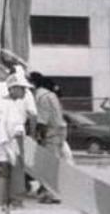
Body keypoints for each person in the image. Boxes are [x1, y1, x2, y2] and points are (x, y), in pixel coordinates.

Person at [0, 72, 33, 214]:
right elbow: (16, 129)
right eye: (23, 88)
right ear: (13, 89)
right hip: (2, 147)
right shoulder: (12, 107)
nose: (25, 91)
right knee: (2, 178)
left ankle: (0, 206)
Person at [29, 74, 65, 205]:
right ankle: (48, 191)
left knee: (50, 164)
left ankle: (54, 195)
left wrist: (38, 136)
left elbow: (42, 120)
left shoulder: (41, 97)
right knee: (55, 162)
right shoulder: (50, 94)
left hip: (51, 132)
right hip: (59, 130)